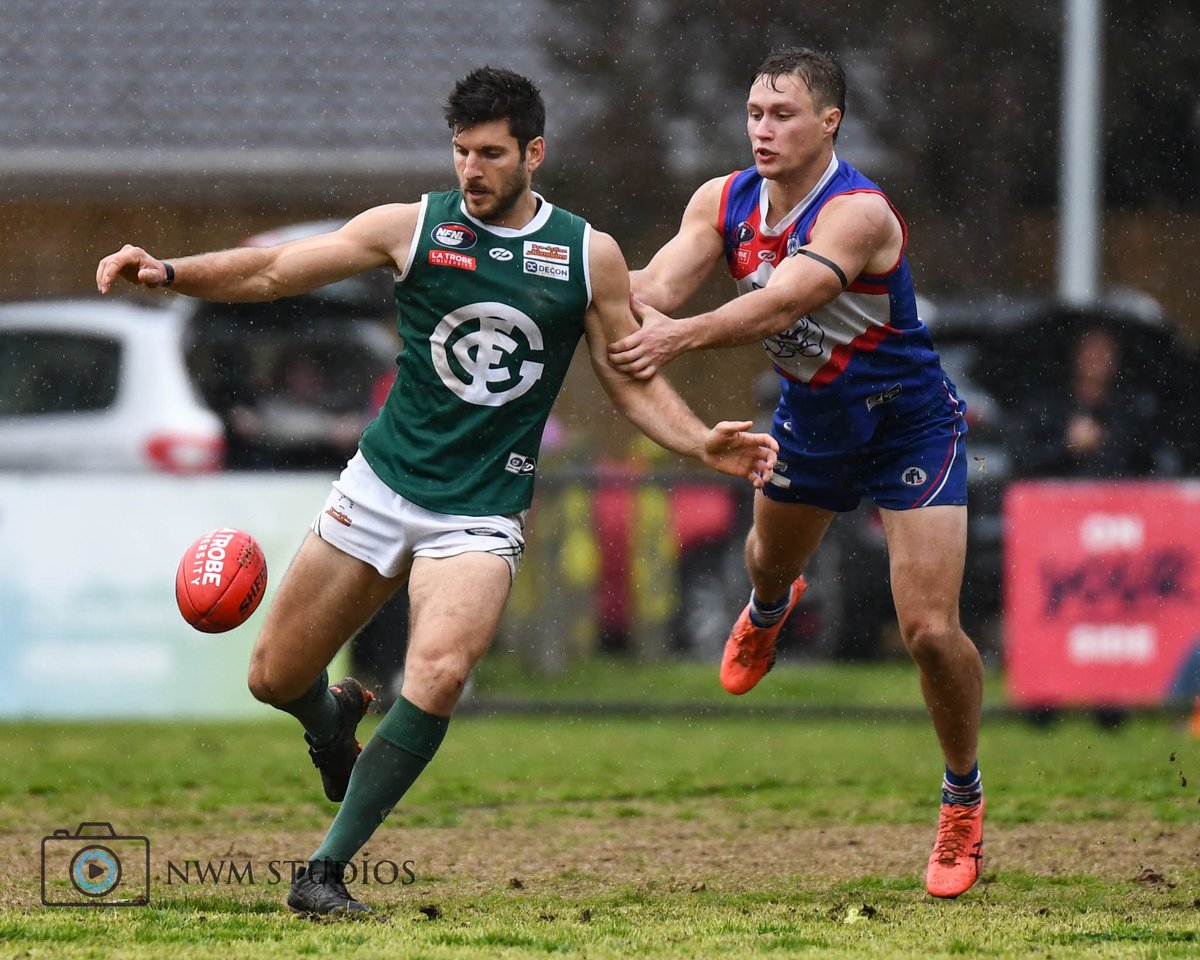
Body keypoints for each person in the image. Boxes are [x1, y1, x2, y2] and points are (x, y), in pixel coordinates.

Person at [96, 66, 777, 917]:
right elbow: (274, 271)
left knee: (441, 672)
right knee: (274, 676)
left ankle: (324, 871)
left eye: (490, 154)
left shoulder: (585, 254)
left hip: (482, 509)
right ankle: (330, 720)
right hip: (380, 486)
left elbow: (628, 375)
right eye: (461, 152)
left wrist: (697, 442)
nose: (471, 170)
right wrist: (167, 272)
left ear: (534, 152)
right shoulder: (412, 227)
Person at [608, 47, 985, 899]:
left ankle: (962, 798)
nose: (762, 129)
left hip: (908, 425)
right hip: (813, 424)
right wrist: (575, 280)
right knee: (766, 564)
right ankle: (771, 610)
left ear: (829, 123)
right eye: (753, 113)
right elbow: (658, 286)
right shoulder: (722, 198)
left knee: (928, 629)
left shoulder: (858, 213)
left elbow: (780, 303)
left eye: (782, 114)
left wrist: (678, 336)